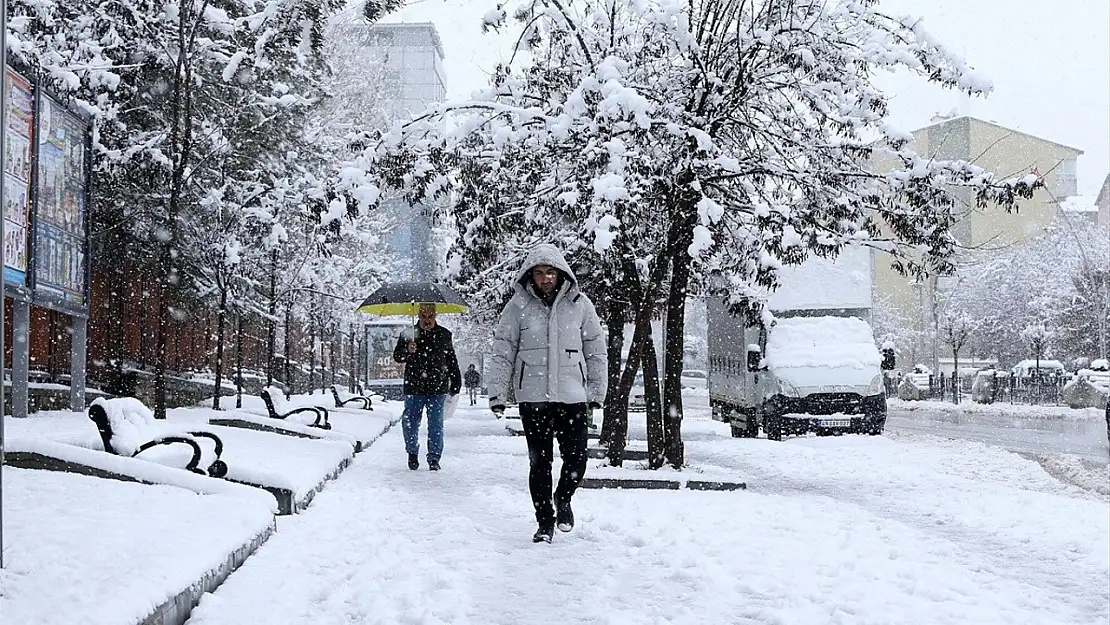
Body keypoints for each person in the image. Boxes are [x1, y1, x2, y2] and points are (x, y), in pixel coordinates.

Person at [487, 244, 607, 543]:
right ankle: (544, 522)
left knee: (577, 459)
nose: (545, 279)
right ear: (531, 275)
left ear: (560, 274)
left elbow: (596, 351)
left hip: (572, 396)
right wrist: (497, 394)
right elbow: (503, 350)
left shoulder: (580, 304)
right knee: (540, 463)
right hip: (534, 396)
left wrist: (595, 390)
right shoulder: (517, 307)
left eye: (550, 272)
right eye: (539, 273)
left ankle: (563, 498)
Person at [393, 303, 462, 471]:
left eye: (430, 316)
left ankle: (434, 458)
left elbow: (451, 360)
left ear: (435, 315)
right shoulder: (409, 334)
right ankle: (412, 452)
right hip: (414, 386)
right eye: (423, 316)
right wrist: (407, 350)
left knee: (436, 424)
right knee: (410, 422)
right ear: (418, 315)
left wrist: (456, 381)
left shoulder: (444, 335)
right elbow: (397, 356)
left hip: (437, 386)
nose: (427, 320)